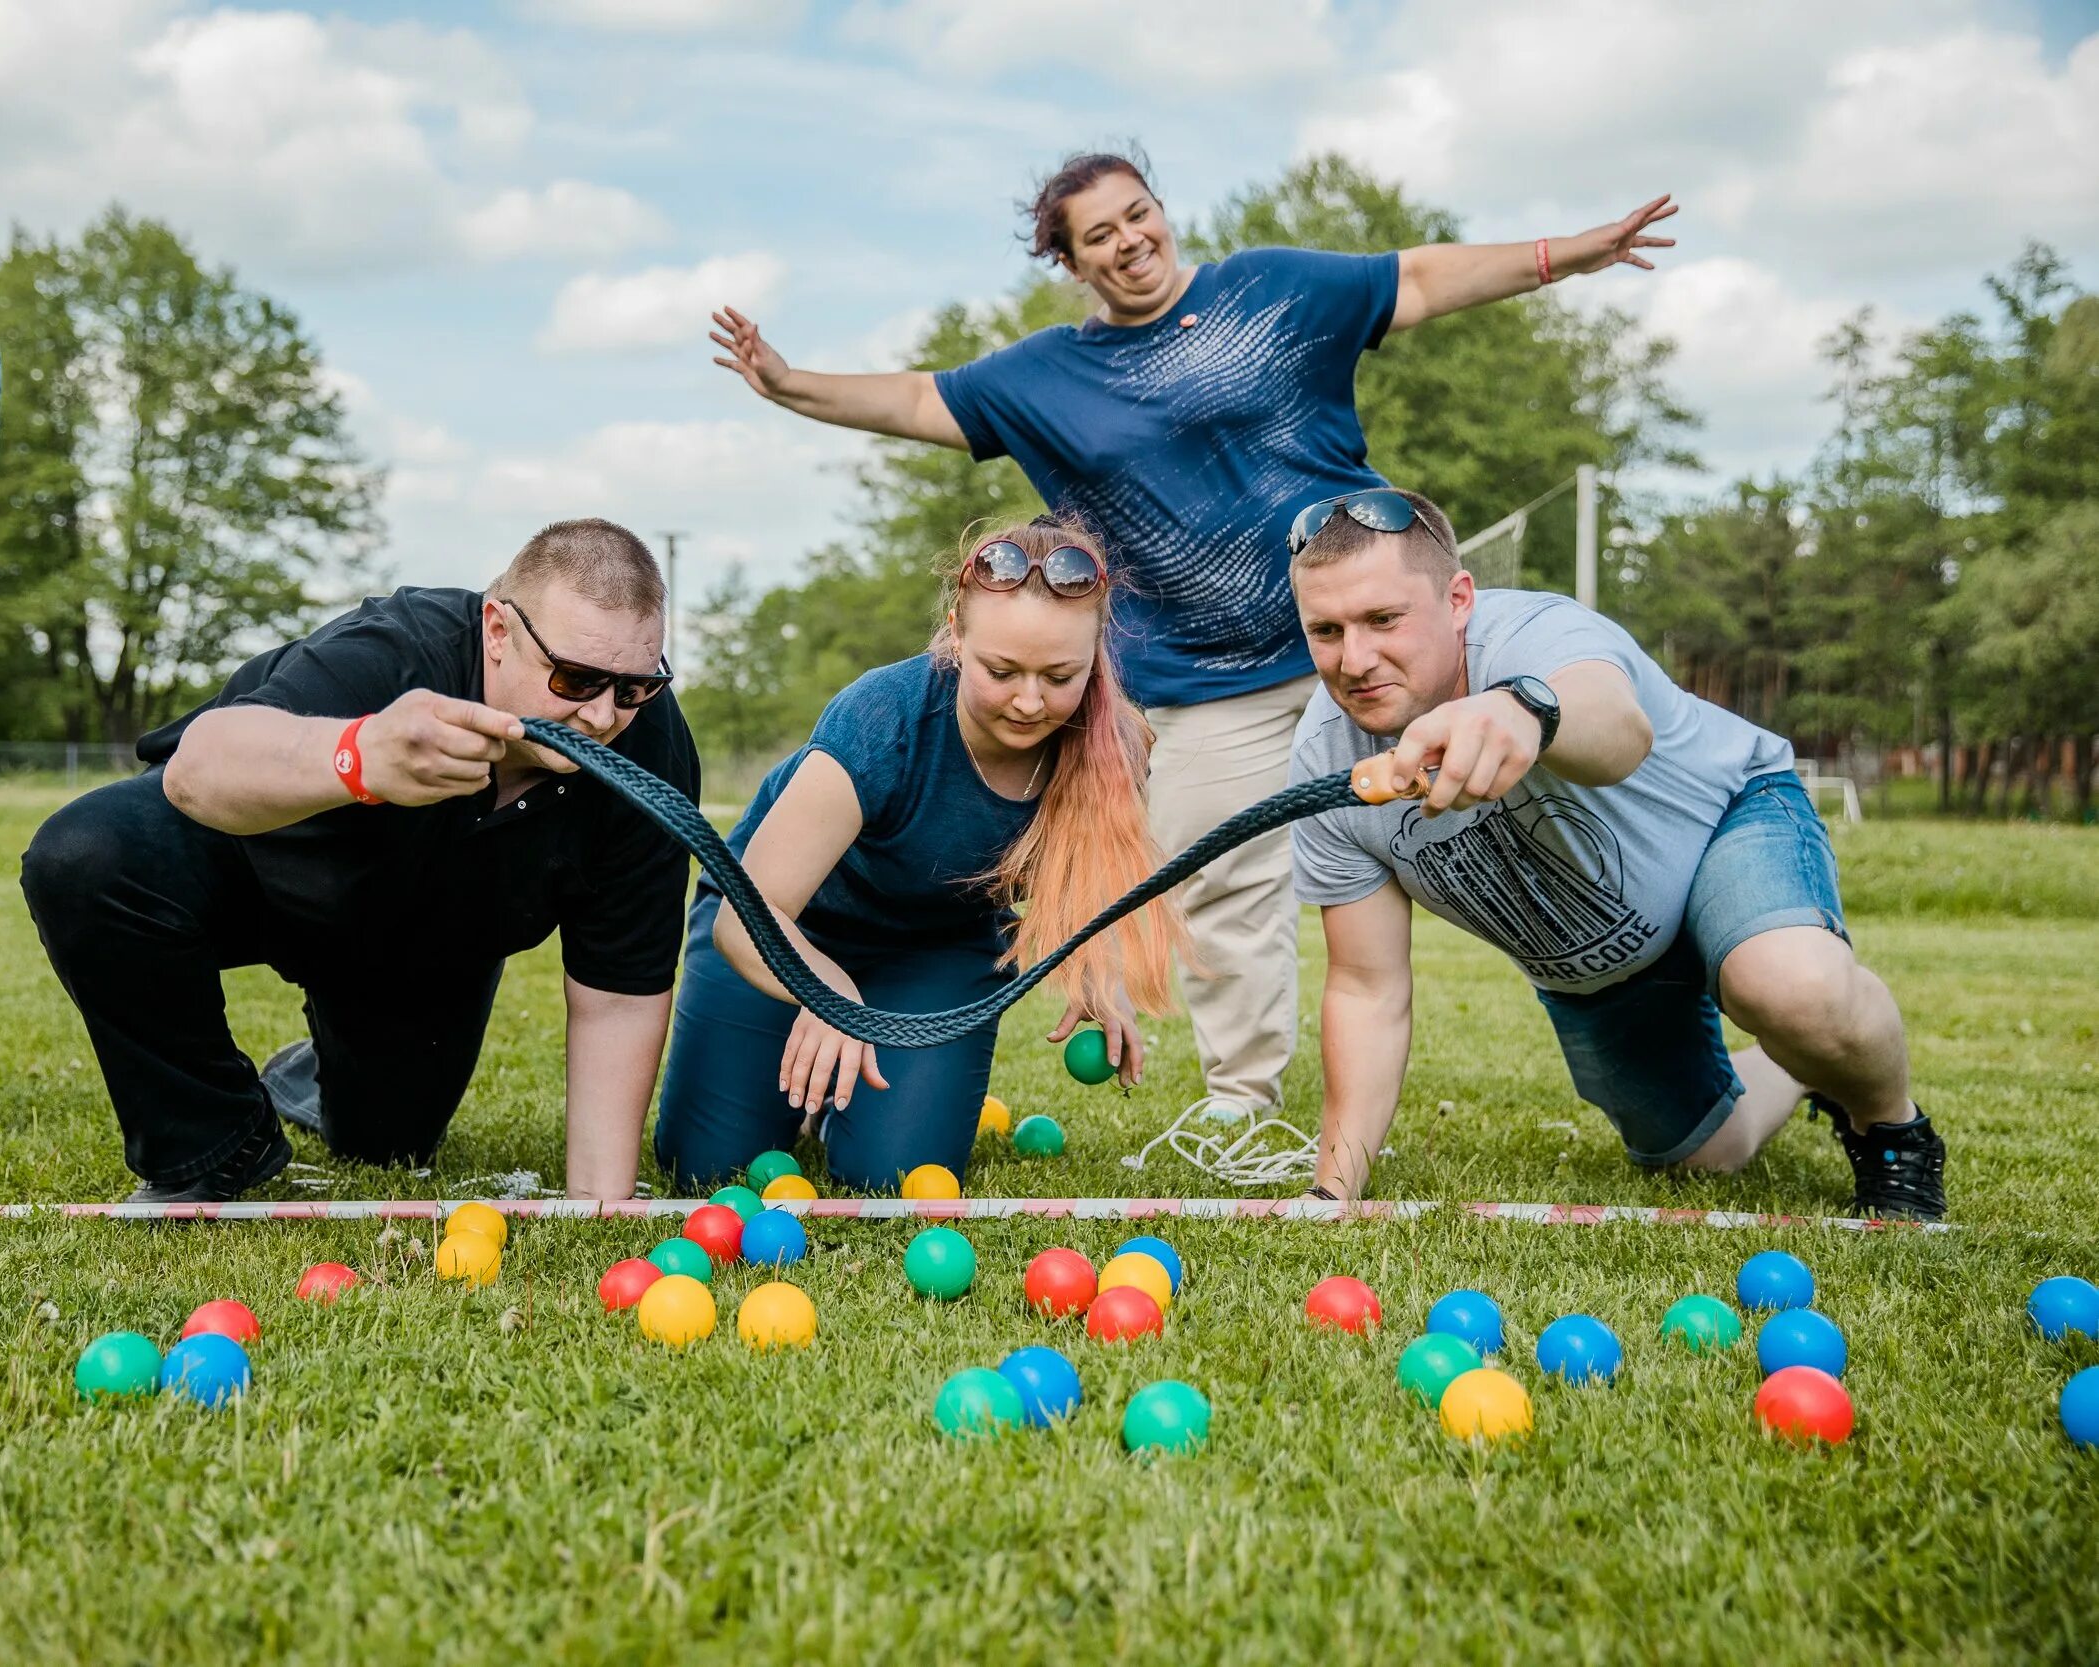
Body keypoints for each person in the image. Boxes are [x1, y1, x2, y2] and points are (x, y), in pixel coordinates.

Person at [710, 149, 1676, 1132]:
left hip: (1368, 642)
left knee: (1521, 780)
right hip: (1214, 686)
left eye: (1138, 215)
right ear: (1073, 263)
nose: (1129, 241)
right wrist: (791, 384)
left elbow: (1419, 279)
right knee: (1220, 880)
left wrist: (1567, 254)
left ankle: (1674, 919)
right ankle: (1239, 1104)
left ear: (1161, 212)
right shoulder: (1044, 376)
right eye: (1099, 236)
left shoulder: (1275, 289)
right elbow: (920, 399)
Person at [1282, 487, 1945, 1220]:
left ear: (1459, 598)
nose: (1355, 659)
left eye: (1383, 619)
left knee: (1790, 985)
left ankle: (1891, 1126)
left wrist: (1527, 710)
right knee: (1707, 1152)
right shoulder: (1325, 768)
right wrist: (1333, 1188)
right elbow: (1367, 989)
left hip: (1727, 822)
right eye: (1326, 630)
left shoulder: (1537, 636)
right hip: (1601, 966)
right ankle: (1807, 1062)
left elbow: (1617, 728)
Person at [21, 519, 698, 1204]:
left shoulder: (650, 758)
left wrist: (599, 1205)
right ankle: (213, 1145)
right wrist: (361, 754)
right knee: (85, 855)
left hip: (422, 944)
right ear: (498, 631)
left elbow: (618, 995)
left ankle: (311, 1072)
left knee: (387, 1143)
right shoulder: (398, 649)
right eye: (576, 678)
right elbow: (197, 770)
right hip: (256, 865)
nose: (605, 716)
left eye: (637, 687)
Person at [654, 516, 1183, 1192]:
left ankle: (842, 1104)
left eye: (1059, 675)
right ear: (957, 639)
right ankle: (809, 1077)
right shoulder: (880, 720)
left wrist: (1098, 973)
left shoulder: (1115, 747)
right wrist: (831, 994)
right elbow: (745, 917)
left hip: (936, 950)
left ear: (1094, 657)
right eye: (1002, 670)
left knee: (892, 1178)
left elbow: (1088, 873)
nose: (1029, 700)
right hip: (783, 928)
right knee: (705, 1171)